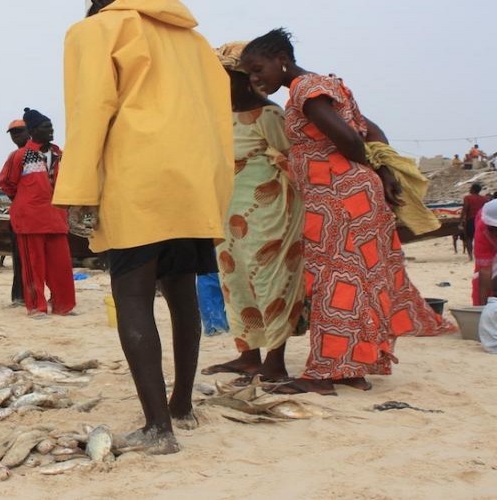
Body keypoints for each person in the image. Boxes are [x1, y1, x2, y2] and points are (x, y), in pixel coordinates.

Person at [53, 0, 234, 453]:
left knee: (132, 296)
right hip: (193, 179)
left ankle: (159, 429)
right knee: (182, 292)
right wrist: (213, 189)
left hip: (137, 176)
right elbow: (217, 119)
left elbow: (91, 107)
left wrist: (77, 189)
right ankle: (181, 406)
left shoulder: (95, 30)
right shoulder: (195, 42)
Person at [240, 28, 456, 396]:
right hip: (355, 196)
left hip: (338, 200)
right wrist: (381, 169)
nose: (256, 79)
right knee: (358, 282)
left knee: (332, 283)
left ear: (282, 59)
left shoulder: (306, 91)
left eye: (259, 69)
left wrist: (364, 165)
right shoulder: (329, 84)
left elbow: (353, 139)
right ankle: (352, 369)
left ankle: (323, 374)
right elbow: (372, 129)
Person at [201, 41, 304, 382]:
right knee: (236, 283)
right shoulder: (218, 117)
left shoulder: (270, 115)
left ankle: (275, 361)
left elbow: (293, 158)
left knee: (271, 283)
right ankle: (248, 356)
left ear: (242, 78)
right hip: (228, 213)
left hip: (269, 214)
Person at [0, 108, 75, 317]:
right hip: (30, 220)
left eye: (51, 127)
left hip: (57, 218)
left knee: (61, 266)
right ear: (33, 131)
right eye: (45, 127)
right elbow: (6, 183)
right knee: (34, 265)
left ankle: (63, 305)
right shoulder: (20, 156)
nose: (51, 130)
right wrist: (25, 201)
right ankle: (36, 307)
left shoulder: (59, 154)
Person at [0, 119, 29, 304]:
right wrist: (21, 200)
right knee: (20, 257)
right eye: (13, 133)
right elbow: (5, 183)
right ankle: (20, 296)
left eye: (20, 131)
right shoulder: (15, 156)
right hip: (22, 216)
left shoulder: (42, 153)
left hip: (39, 213)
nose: (16, 136)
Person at [471, 200, 497, 305]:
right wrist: (482, 308)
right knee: (481, 283)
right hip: (489, 248)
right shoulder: (483, 229)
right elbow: (485, 271)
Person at [461, 183, 489, 261]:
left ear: (473, 189)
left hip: (471, 220)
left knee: (469, 238)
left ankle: (470, 256)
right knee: (482, 238)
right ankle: (481, 255)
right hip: (482, 220)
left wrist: (461, 220)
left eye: (470, 188)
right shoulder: (484, 199)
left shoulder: (467, 198)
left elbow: (465, 209)